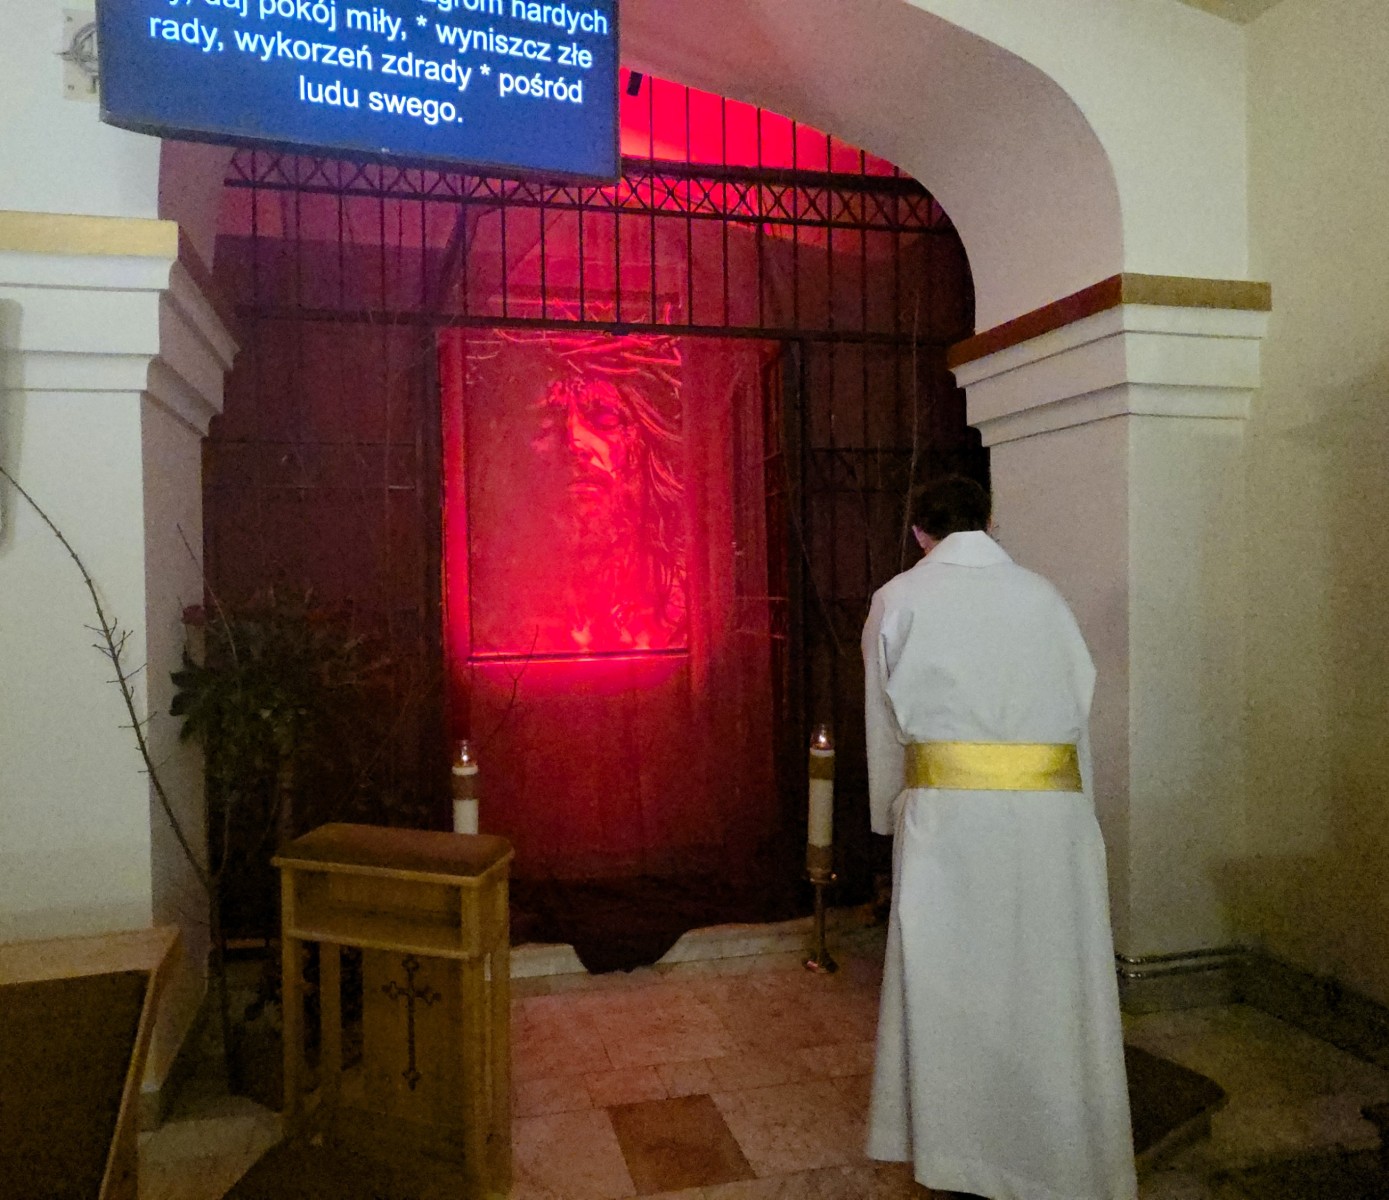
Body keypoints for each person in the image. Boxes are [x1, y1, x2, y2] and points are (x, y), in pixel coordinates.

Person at [862, 475, 1137, 1200]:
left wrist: (888, 818)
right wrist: (1080, 816)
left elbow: (883, 724)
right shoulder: (1044, 598)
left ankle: (957, 1152)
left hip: (946, 824)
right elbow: (1077, 714)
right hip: (1051, 822)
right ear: (987, 523)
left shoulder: (898, 598)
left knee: (951, 988)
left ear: (919, 532)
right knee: (1045, 985)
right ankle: (1058, 1149)